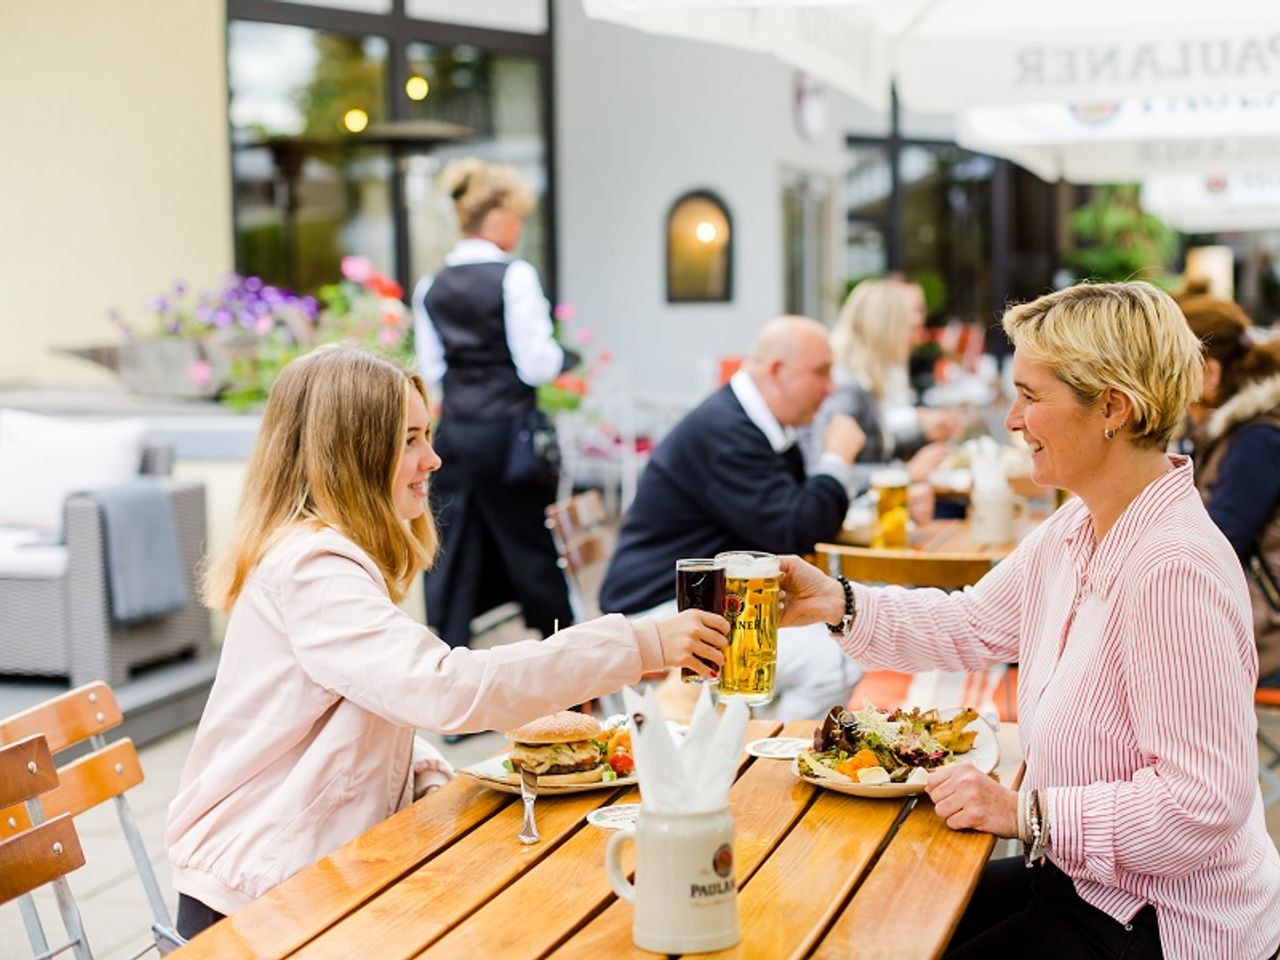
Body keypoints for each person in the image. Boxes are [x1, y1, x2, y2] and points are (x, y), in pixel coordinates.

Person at [775, 282, 1280, 959]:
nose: (1012, 420)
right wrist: (837, 603)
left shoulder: (1172, 568)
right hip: (1084, 881)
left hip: (1161, 921)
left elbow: (1200, 806)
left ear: (1112, 408)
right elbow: (972, 623)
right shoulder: (1081, 522)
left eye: (1031, 396)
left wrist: (1023, 814)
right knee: (874, 923)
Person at [165, 345, 728, 937]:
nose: (433, 459)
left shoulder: (323, 555)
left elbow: (358, 716)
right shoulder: (314, 567)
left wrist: (429, 775)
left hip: (303, 874)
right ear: (351, 454)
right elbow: (445, 688)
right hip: (256, 901)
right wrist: (641, 644)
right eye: (409, 439)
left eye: (426, 435)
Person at [598, 315, 866, 720]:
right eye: (821, 372)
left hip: (706, 600)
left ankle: (744, 741)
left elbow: (794, 521)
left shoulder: (750, 421)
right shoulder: (726, 431)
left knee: (841, 636)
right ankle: (755, 759)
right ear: (777, 371)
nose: (830, 387)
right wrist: (837, 458)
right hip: (662, 607)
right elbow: (797, 529)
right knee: (837, 663)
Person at [411, 158, 577, 650]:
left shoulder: (431, 286)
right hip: (510, 437)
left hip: (457, 435)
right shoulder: (514, 276)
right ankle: (567, 666)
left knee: (455, 549)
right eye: (519, 218)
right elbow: (536, 365)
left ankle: (448, 665)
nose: (520, 230)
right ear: (500, 217)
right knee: (529, 545)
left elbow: (433, 371)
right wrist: (565, 356)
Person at [1182, 295, 1280, 688]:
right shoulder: (1232, 433)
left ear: (1208, 372)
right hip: (1245, 622)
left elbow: (1209, 553)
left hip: (1263, 638)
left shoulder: (1256, 442)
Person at [803, 276, 957, 521]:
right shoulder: (846, 388)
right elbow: (825, 471)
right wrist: (905, 472)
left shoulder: (863, 380)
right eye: (908, 323)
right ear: (886, 328)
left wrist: (922, 431)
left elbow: (872, 442)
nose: (918, 325)